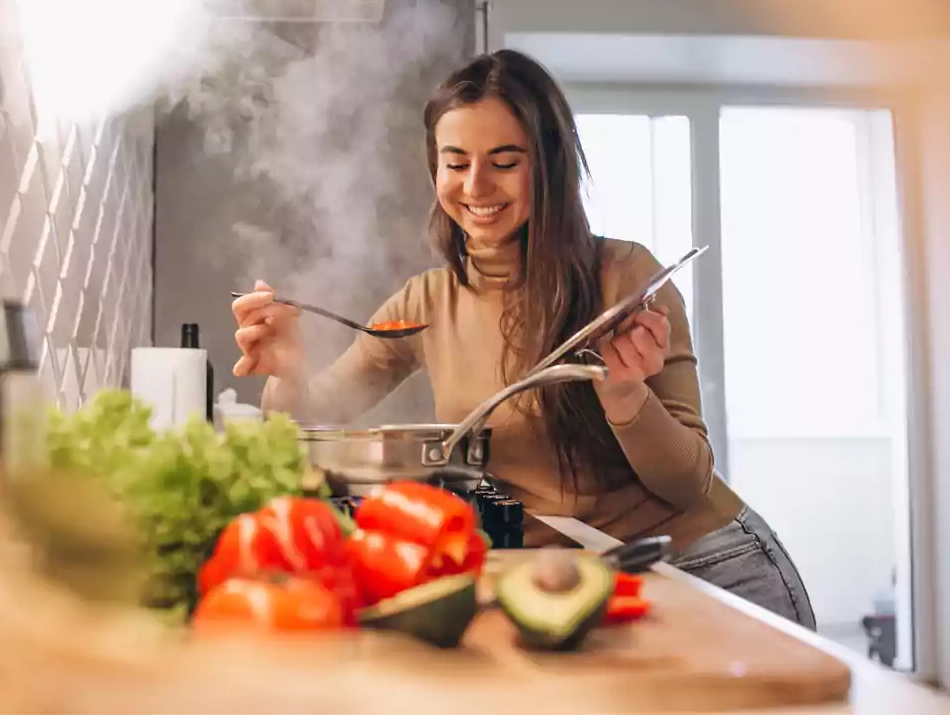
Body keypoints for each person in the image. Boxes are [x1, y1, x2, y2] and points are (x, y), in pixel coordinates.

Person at [230, 48, 816, 629]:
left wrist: (626, 397)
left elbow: (688, 483)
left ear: (549, 165)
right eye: (455, 162)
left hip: (704, 566)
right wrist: (288, 370)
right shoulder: (425, 302)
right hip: (571, 581)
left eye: (504, 161)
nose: (476, 185)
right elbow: (312, 418)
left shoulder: (624, 277)